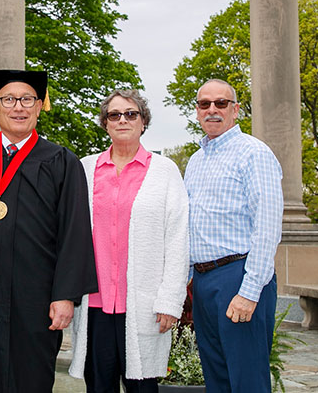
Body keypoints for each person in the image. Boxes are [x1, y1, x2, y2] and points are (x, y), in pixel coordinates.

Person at [0, 68, 97, 393]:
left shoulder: (61, 161)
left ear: (40, 105)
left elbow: (75, 232)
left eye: (27, 99)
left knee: (29, 377)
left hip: (34, 296)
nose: (19, 107)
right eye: (9, 99)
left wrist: (65, 296)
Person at [68, 89, 189, 393]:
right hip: (94, 303)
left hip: (145, 306)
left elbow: (177, 239)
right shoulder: (84, 169)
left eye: (131, 114)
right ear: (105, 123)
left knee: (142, 387)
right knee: (98, 386)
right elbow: (70, 234)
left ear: (143, 121)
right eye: (114, 114)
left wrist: (170, 301)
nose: (123, 120)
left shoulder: (164, 172)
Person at [183, 79, 283, 392]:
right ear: (197, 112)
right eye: (204, 104)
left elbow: (268, 226)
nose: (212, 110)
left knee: (247, 381)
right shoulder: (196, 162)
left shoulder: (254, 154)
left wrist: (250, 290)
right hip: (203, 282)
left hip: (239, 276)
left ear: (236, 110)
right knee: (217, 378)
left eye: (221, 103)